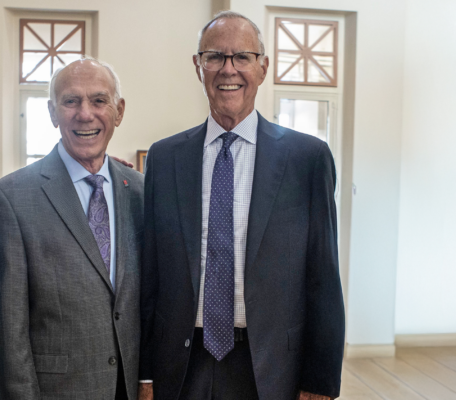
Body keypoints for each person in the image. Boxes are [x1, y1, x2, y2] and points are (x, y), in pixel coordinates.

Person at [138, 11, 345, 400]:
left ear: (262, 67)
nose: (227, 69)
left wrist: (320, 382)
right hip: (182, 364)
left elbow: (323, 279)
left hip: (270, 366)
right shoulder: (165, 158)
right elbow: (151, 276)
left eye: (242, 57)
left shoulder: (308, 159)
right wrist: (145, 372)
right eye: (215, 56)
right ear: (198, 66)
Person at [0, 57, 143, 400]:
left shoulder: (142, 192)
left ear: (119, 111)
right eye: (71, 101)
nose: (85, 113)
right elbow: (10, 334)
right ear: (53, 112)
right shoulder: (10, 199)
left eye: (99, 100)